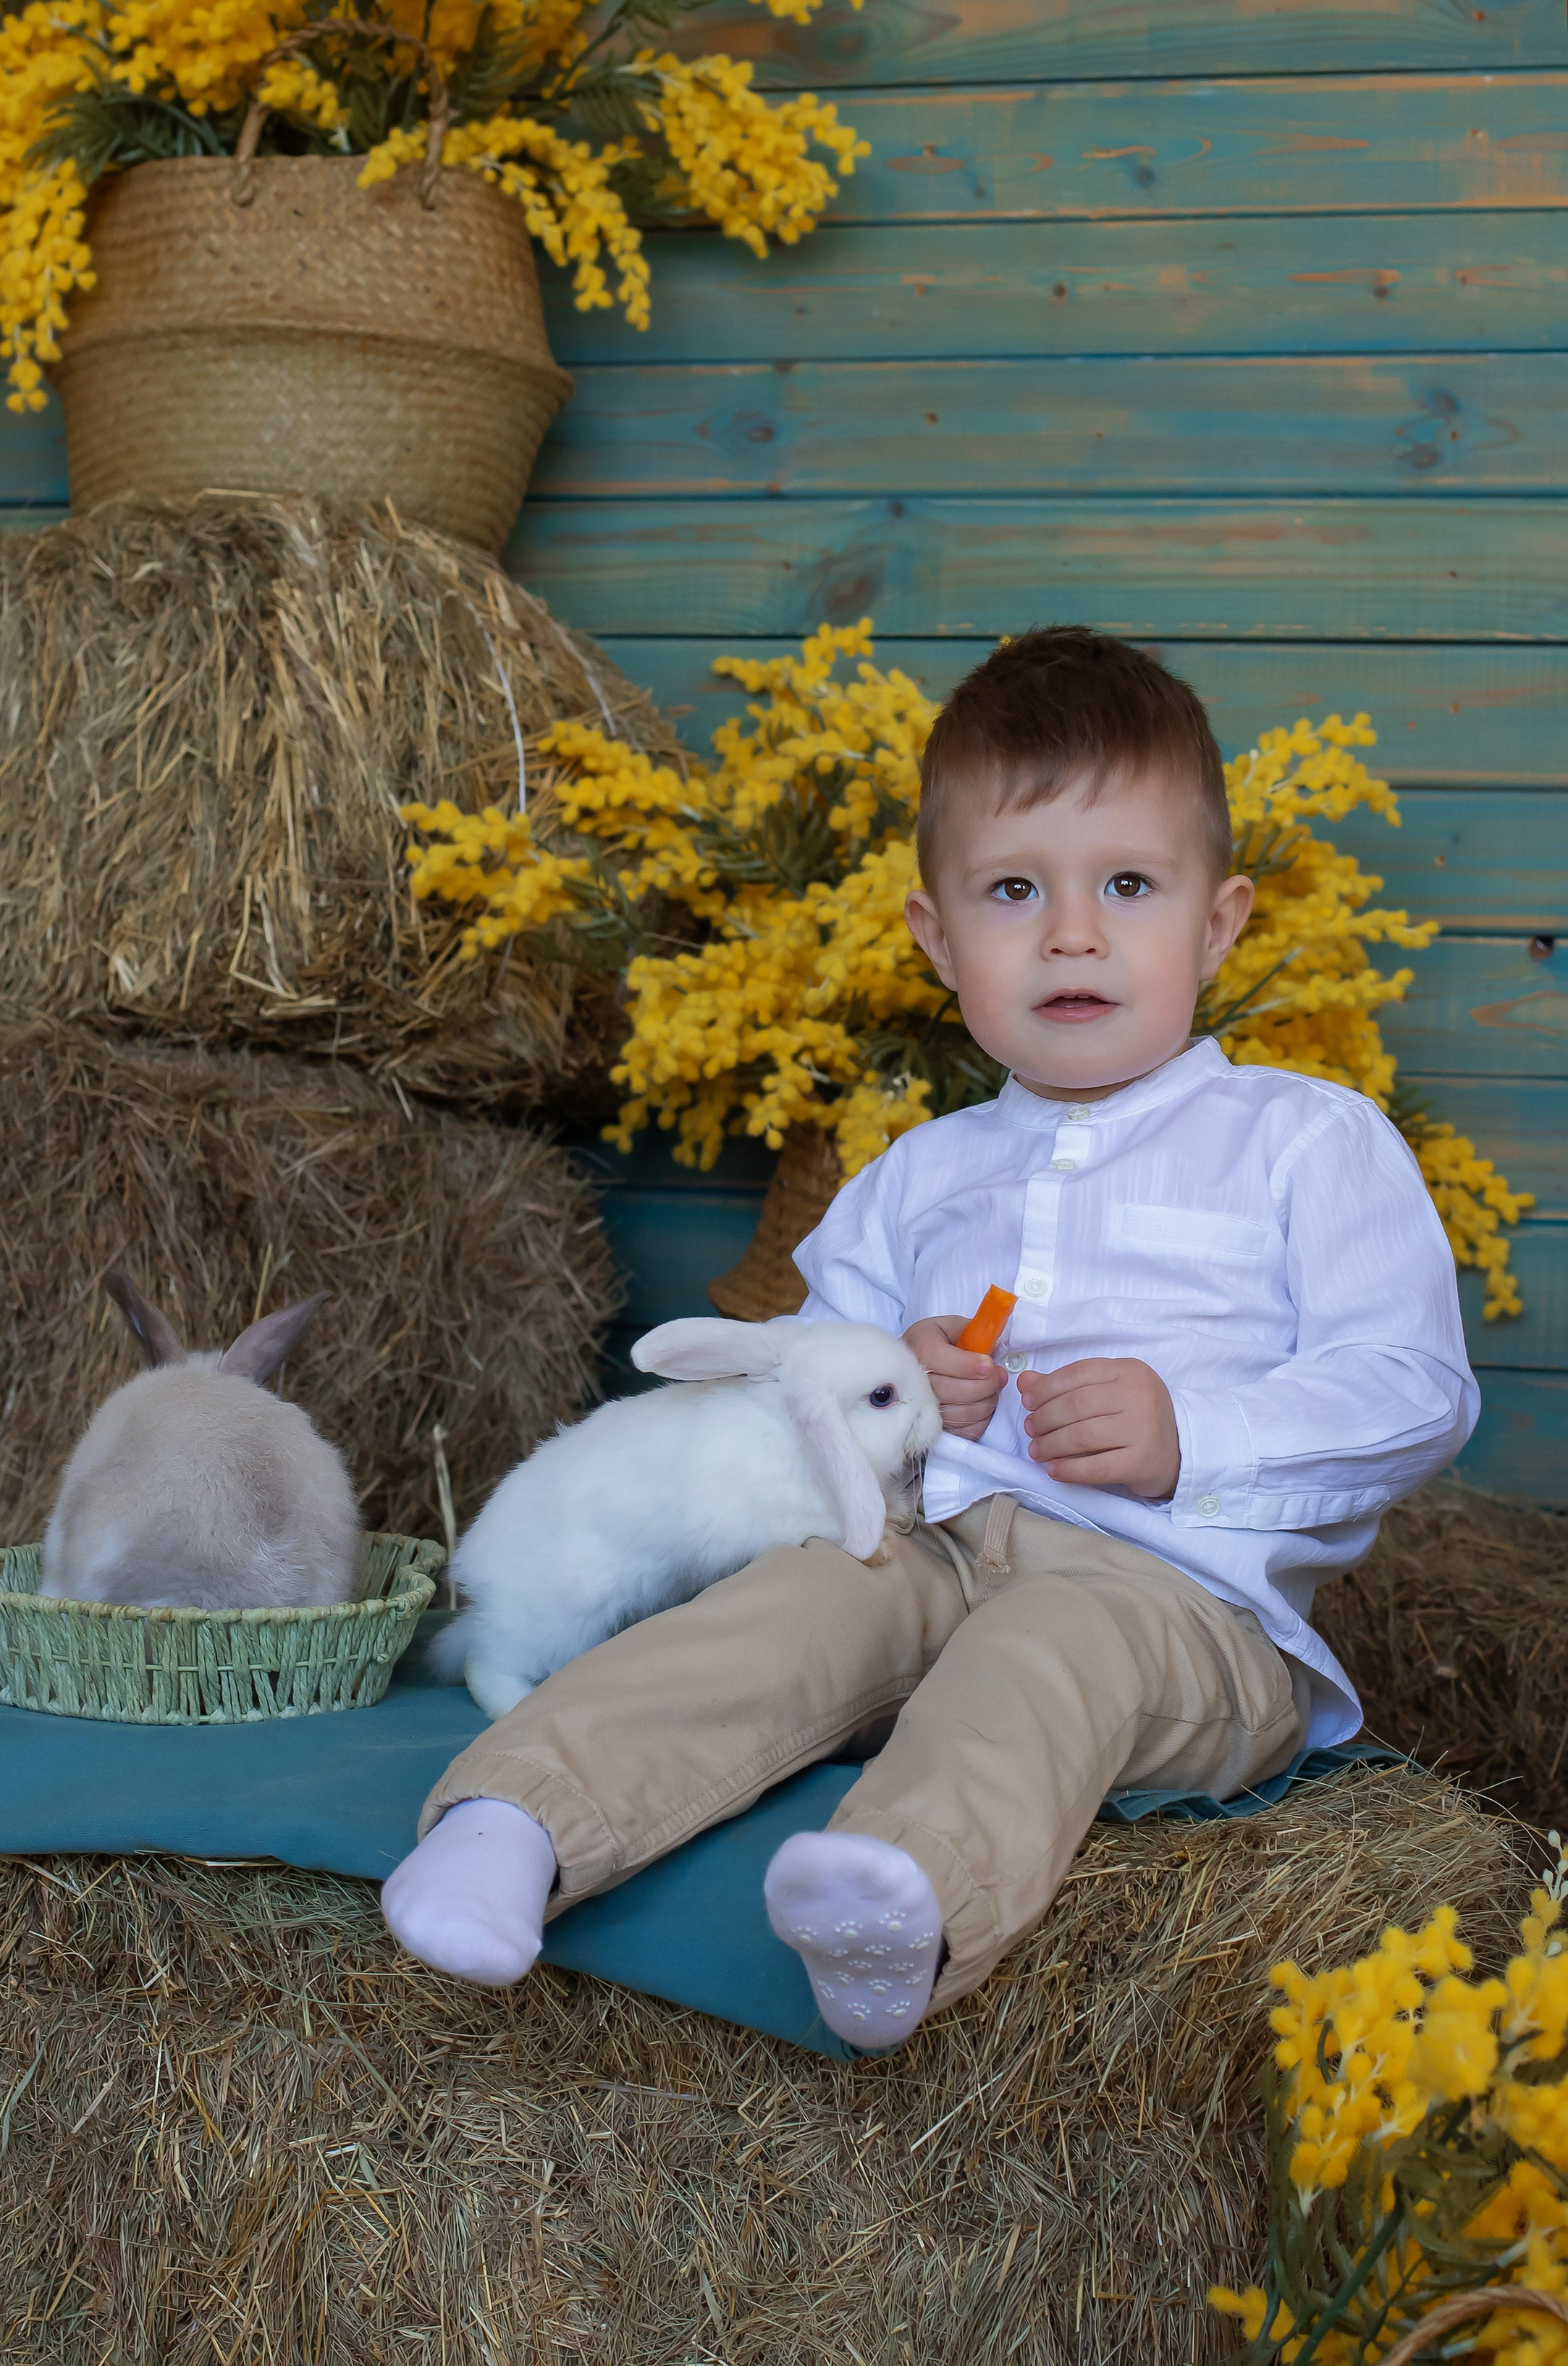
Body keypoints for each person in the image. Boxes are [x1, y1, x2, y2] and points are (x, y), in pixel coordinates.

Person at [382, 627, 1478, 2050]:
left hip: (1181, 1610)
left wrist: (1192, 1432)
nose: (1070, 934)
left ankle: (906, 1896)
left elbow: (1411, 1392)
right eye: (1012, 891)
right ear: (935, 937)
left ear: (1217, 923)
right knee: (770, 1620)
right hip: (929, 1544)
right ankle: (513, 1820)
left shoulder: (1300, 1143)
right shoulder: (912, 1172)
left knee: (1041, 1658)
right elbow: (802, 1382)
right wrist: (888, 1372)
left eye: (1127, 887)